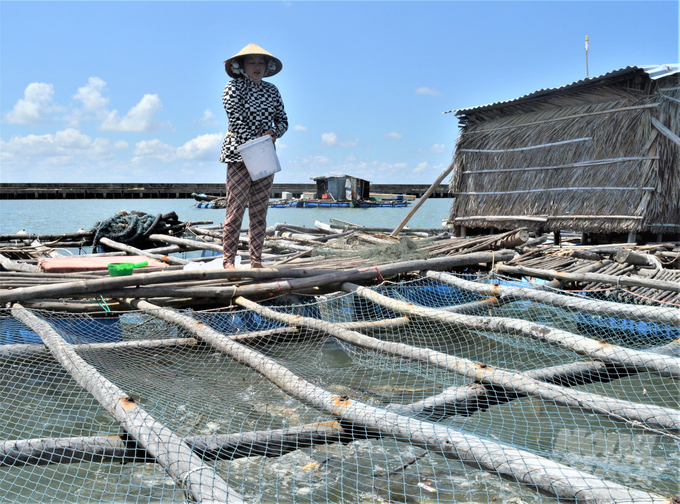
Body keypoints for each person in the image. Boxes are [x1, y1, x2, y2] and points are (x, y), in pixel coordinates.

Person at [219, 43, 288, 269]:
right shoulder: (232, 88)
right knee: (235, 209)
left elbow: (283, 121)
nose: (257, 66)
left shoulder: (272, 90)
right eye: (252, 62)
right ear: (242, 66)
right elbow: (236, 121)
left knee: (260, 210)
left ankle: (255, 260)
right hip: (239, 153)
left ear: (267, 67)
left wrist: (273, 132)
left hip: (265, 154)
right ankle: (228, 261)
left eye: (261, 63)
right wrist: (256, 141)